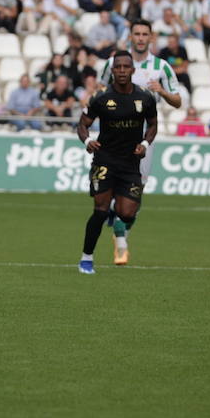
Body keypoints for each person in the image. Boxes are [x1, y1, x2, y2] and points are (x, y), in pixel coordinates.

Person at [95, 20, 182, 263]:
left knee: (137, 189)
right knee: (108, 184)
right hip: (113, 135)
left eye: (145, 34)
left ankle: (121, 233)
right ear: (130, 36)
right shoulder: (115, 63)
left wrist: (161, 91)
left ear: (151, 38)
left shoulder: (161, 67)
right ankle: (120, 238)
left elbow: (178, 101)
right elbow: (100, 90)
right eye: (137, 34)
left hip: (144, 136)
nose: (141, 38)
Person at [76, 50, 158, 275]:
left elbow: (153, 125)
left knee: (128, 214)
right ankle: (86, 258)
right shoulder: (100, 97)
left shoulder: (145, 97)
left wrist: (145, 144)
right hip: (105, 160)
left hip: (131, 163)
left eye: (126, 67)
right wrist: (87, 141)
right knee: (99, 211)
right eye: (117, 67)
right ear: (112, 71)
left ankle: (116, 208)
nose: (122, 71)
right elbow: (82, 124)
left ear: (133, 70)